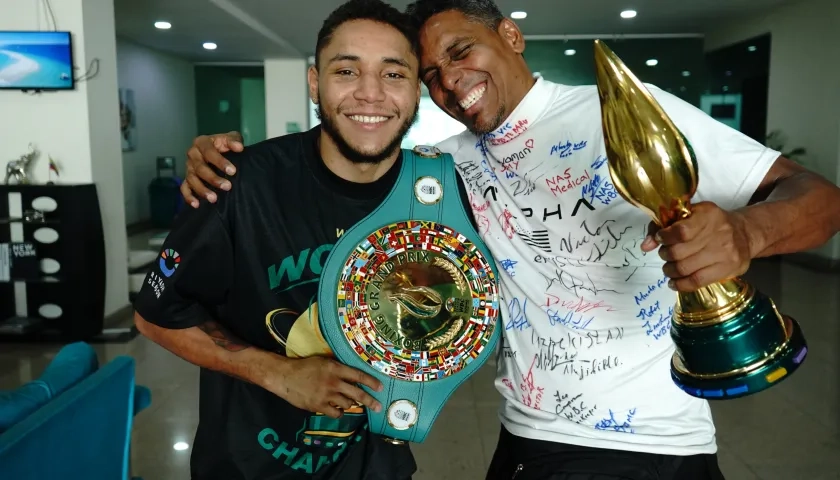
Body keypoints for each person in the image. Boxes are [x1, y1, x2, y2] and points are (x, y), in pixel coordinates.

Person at [178, 0, 840, 478]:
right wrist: (224, 160)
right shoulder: (445, 165)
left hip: (653, 444)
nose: (449, 81)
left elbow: (821, 201)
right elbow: (348, 160)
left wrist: (748, 231)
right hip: (526, 438)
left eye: (460, 52)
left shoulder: (624, 115)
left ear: (510, 36)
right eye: (430, 74)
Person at [130, 0, 471, 478]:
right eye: (346, 71)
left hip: (377, 466)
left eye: (393, 74)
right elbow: (154, 316)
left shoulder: (437, 195)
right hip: (248, 466)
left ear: (416, 90)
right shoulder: (238, 184)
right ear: (315, 83)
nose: (370, 93)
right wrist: (278, 372)